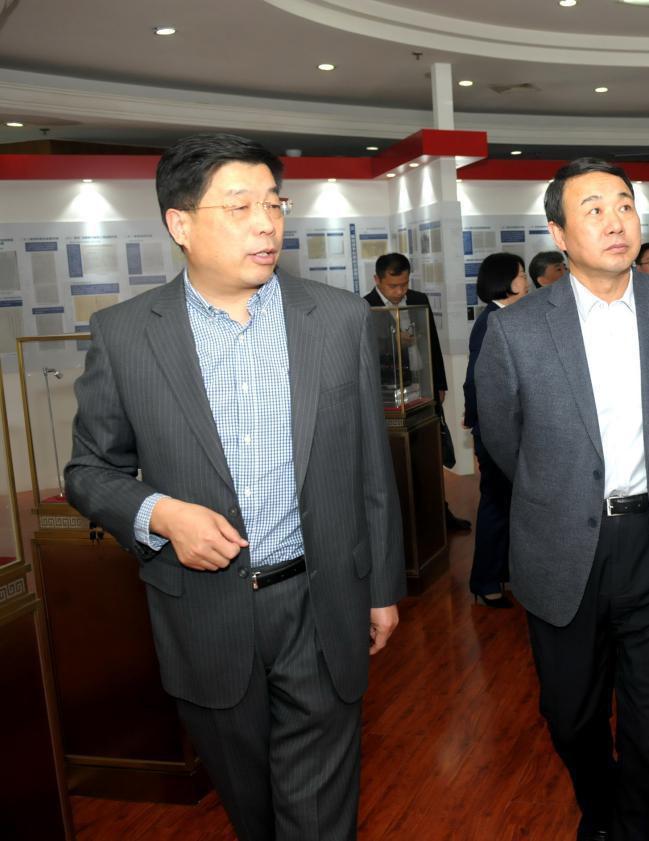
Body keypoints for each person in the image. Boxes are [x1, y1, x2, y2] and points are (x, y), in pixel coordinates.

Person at [64, 132, 404, 841]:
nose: (265, 224)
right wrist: (160, 513)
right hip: (204, 614)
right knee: (253, 812)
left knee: (318, 818)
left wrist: (381, 587)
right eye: (240, 206)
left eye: (274, 204)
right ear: (180, 223)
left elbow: (371, 469)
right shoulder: (126, 334)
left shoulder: (337, 318)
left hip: (318, 602)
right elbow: (88, 471)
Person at [475, 158, 649, 841]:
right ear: (558, 233)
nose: (615, 221)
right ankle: (604, 811)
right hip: (563, 549)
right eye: (593, 210)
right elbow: (504, 442)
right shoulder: (517, 330)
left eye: (623, 205)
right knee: (570, 716)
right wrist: (560, 488)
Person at [364, 252, 472, 532]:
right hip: (389, 395)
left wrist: (439, 384)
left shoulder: (419, 299)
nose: (399, 292)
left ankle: (439, 514)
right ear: (377, 280)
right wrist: (392, 342)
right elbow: (367, 356)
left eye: (404, 284)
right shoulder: (365, 306)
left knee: (430, 455)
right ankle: (404, 523)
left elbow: (432, 343)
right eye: (393, 286)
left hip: (422, 388)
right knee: (399, 461)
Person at [462, 252, 530, 607]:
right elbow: (477, 382)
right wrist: (479, 426)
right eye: (521, 273)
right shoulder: (492, 321)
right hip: (496, 434)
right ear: (505, 280)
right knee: (497, 506)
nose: (526, 279)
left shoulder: (507, 316)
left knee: (509, 507)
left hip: (510, 431)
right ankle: (485, 581)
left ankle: (503, 573)